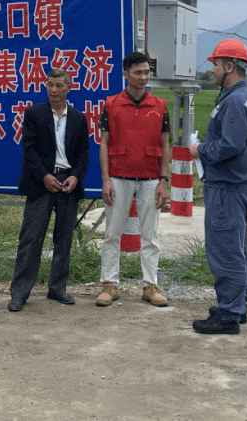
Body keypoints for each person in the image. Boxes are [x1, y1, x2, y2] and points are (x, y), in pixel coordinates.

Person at [188, 39, 247, 335]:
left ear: (230, 66)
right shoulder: (244, 97)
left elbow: (230, 145)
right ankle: (238, 305)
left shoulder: (233, 101)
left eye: (215, 65)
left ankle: (229, 314)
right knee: (239, 247)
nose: (213, 71)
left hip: (228, 187)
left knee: (226, 251)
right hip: (238, 185)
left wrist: (200, 149)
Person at [8, 68, 90, 312]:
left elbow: (84, 153)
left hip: (67, 183)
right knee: (31, 238)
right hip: (40, 182)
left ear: (68, 88)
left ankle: (57, 288)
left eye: (58, 86)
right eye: (50, 85)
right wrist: (44, 175)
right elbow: (29, 149)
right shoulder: (34, 114)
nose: (53, 90)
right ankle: (20, 292)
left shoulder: (78, 118)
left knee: (64, 238)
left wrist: (75, 176)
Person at [96, 51, 171, 308]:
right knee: (112, 234)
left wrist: (164, 180)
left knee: (150, 236)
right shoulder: (111, 104)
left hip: (151, 178)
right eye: (138, 72)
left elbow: (165, 145)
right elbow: (103, 144)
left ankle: (150, 286)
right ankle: (109, 284)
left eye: (147, 72)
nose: (143, 77)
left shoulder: (160, 106)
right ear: (126, 74)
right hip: (119, 177)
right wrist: (105, 180)